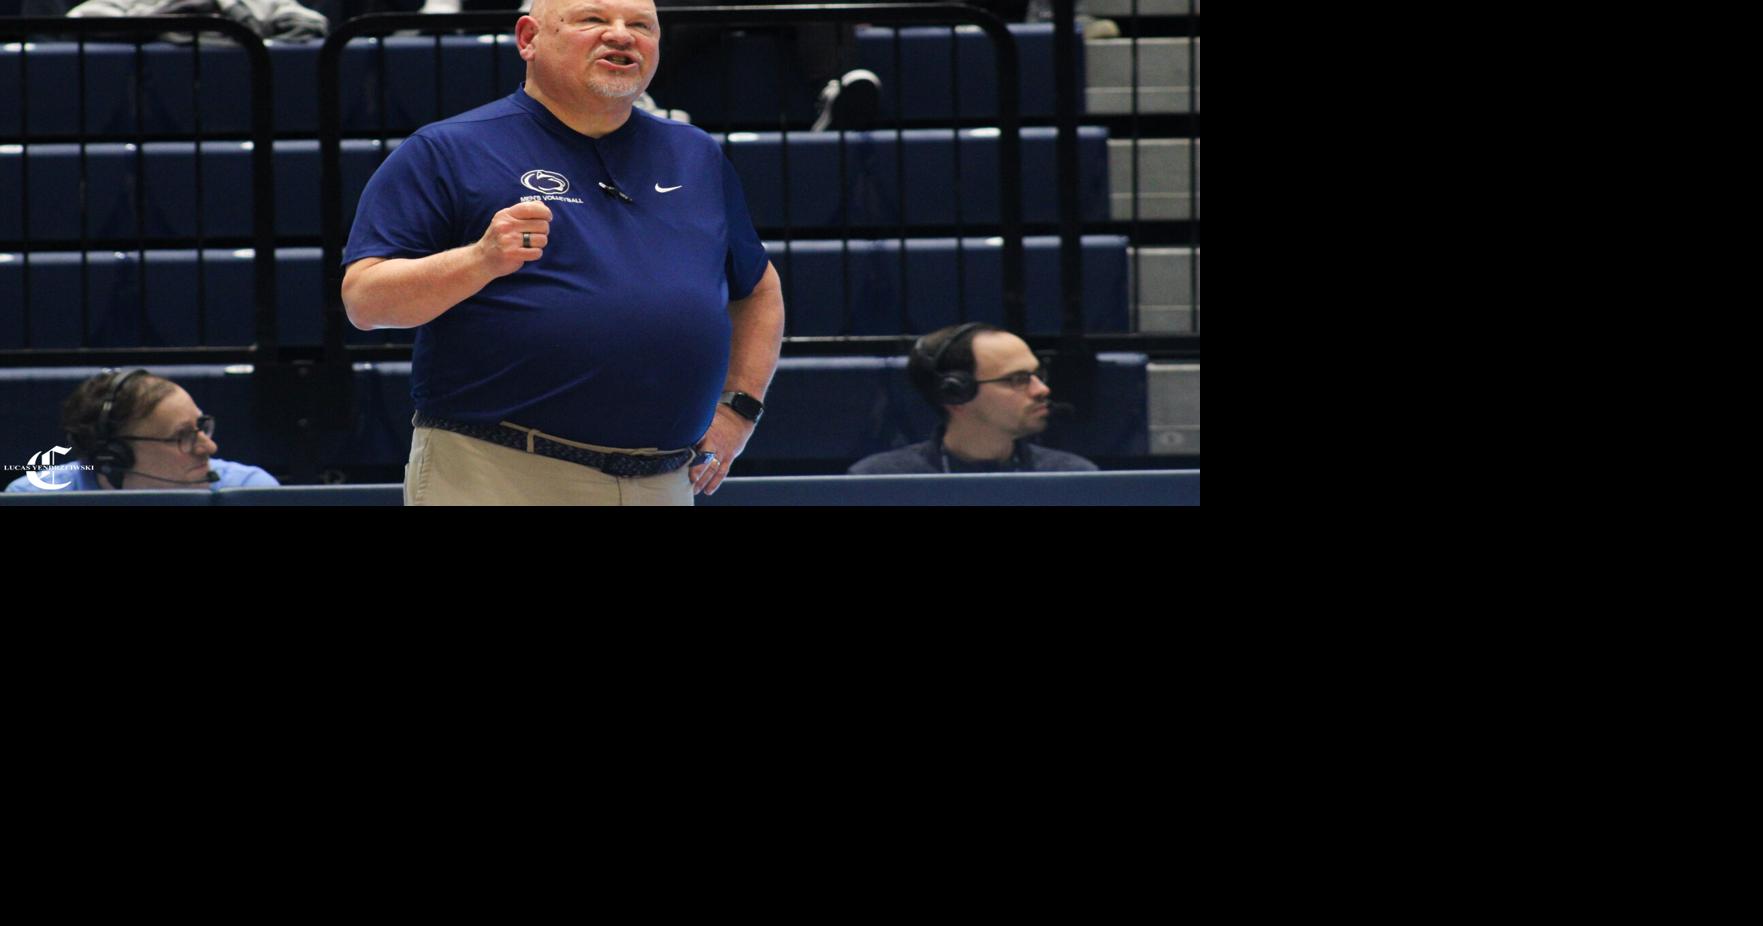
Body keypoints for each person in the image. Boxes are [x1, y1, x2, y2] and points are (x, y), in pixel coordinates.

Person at [341, 0, 784, 505]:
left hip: (662, 479)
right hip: (499, 474)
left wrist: (739, 410)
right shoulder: (447, 150)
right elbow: (366, 301)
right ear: (528, 38)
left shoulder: (695, 153)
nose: (621, 35)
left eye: (641, 25)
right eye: (593, 19)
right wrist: (480, 259)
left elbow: (759, 288)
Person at [849, 323, 1097, 474]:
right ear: (956, 394)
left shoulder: (1072, 476)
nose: (1041, 389)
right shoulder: (880, 482)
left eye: (1037, 374)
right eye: (1017, 379)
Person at [5, 369, 279, 492]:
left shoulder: (249, 491)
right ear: (113, 458)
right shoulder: (35, 499)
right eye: (183, 436)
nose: (209, 447)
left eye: (202, 426)